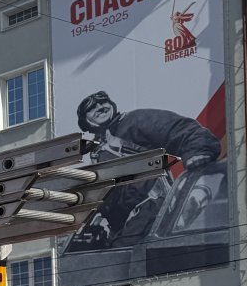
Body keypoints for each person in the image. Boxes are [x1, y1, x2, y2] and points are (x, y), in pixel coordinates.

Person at [74, 91, 222, 248]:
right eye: (92, 108)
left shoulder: (135, 121)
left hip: (153, 206)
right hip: (124, 221)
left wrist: (198, 150)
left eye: (103, 102)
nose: (100, 107)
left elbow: (179, 129)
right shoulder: (97, 152)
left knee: (126, 255)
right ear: (86, 120)